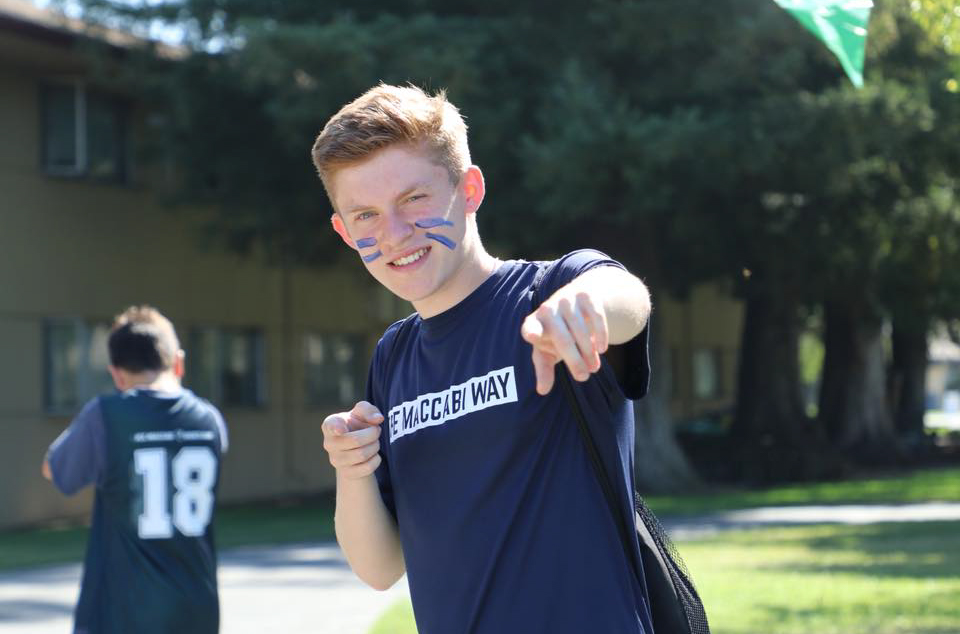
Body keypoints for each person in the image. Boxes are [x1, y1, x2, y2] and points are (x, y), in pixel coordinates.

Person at [312, 83, 653, 633]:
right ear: (344, 232)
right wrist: (352, 471)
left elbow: (627, 299)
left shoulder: (552, 291)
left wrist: (583, 307)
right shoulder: (394, 356)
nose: (395, 234)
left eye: (414, 199)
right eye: (366, 216)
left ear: (469, 189)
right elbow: (379, 569)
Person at [42, 306, 228, 634]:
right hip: (197, 609)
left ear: (116, 374)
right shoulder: (210, 419)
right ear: (179, 362)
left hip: (124, 612)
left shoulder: (105, 415)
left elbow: (55, 470)